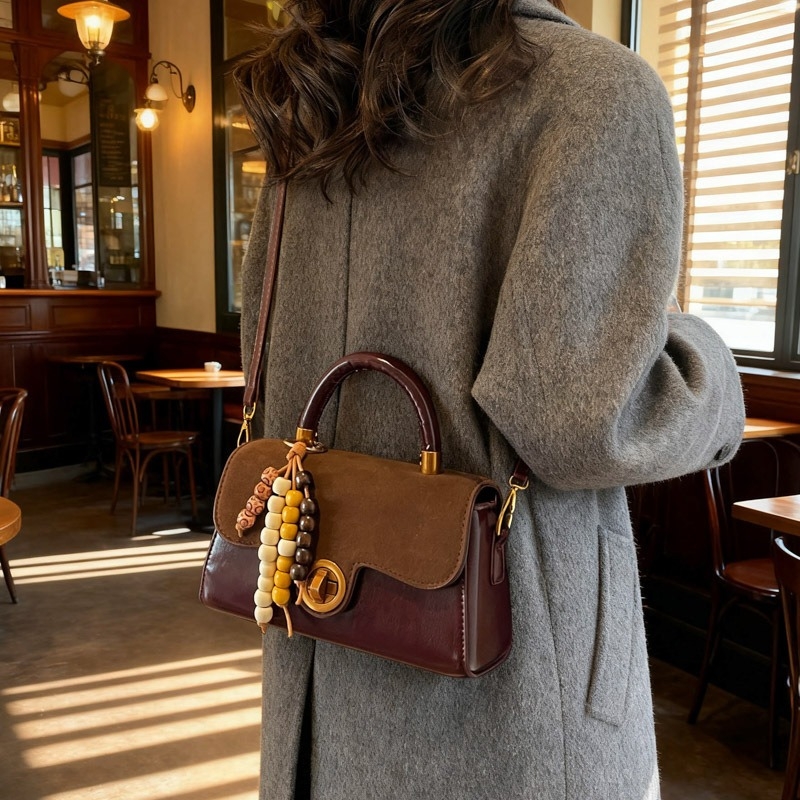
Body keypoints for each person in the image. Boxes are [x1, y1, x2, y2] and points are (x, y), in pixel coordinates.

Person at [236, 1, 745, 798]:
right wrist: (710, 367)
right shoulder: (590, 90)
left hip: (317, 660)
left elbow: (266, 366)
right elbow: (581, 421)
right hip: (512, 697)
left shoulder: (313, 107)